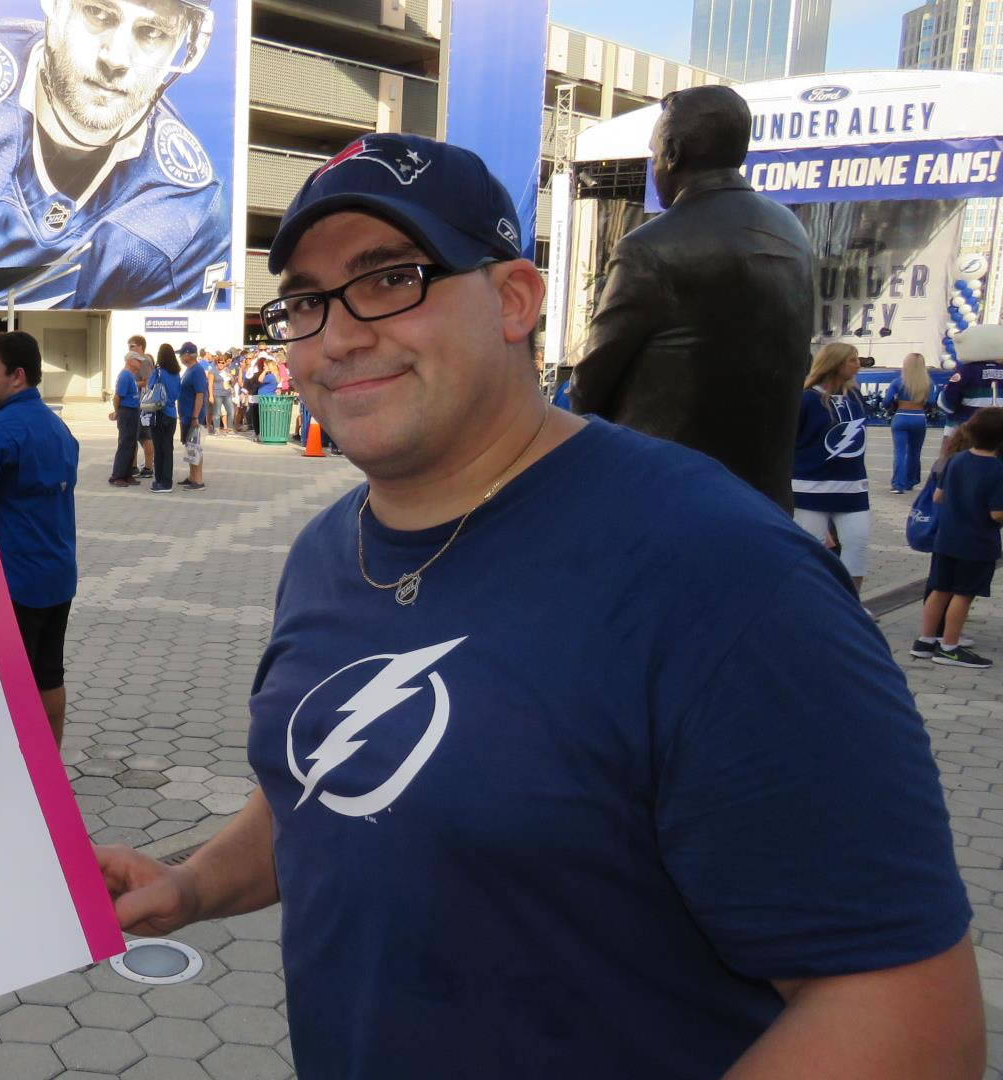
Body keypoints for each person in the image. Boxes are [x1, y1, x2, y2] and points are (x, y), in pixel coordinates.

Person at [99, 131, 982, 1078]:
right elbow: (324, 787)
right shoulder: (326, 550)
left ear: (516, 300)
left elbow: (907, 1017)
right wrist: (193, 885)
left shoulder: (723, 574)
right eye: (308, 301)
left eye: (391, 279)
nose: (339, 336)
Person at [569, 85, 815, 513]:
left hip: (667, 500)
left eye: (653, 153)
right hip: (765, 504)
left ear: (673, 152)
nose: (653, 165)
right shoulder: (792, 231)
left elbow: (589, 386)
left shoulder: (650, 246)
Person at [0, 0, 230, 309]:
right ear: (54, 6)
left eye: (152, 32)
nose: (115, 58)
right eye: (98, 12)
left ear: (185, 45)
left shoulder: (189, 207)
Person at [0, 331, 80, 744]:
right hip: (58, 577)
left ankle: (14, 771)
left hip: (10, 586)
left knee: (4, 688)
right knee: (49, 676)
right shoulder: (60, 429)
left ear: (18, 376)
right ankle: (50, 768)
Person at [911, 408, 1003, 670]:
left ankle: (925, 641)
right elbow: (996, 513)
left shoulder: (956, 459)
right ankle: (949, 647)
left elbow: (938, 496)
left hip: (946, 538)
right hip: (977, 543)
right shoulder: (998, 470)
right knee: (963, 595)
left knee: (940, 589)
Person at [791, 343, 872, 595]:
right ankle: (811, 602)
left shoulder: (855, 397)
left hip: (853, 489)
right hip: (810, 489)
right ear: (834, 364)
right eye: (852, 360)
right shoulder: (806, 399)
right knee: (811, 552)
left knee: (857, 545)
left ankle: (851, 604)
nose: (858, 365)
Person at [890, 351, 933, 494]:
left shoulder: (898, 382)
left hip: (901, 416)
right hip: (919, 417)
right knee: (915, 452)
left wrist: (897, 403)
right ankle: (910, 481)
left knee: (899, 452)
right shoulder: (928, 383)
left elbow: (886, 401)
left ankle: (898, 485)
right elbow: (932, 402)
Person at [145, 343, 181, 492]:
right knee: (168, 448)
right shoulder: (177, 373)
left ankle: (161, 481)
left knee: (159, 449)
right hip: (172, 414)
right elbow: (178, 393)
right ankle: (167, 481)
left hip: (159, 413)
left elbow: (149, 388)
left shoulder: (158, 372)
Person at [109, 348, 143, 487]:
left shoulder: (130, 376)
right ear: (130, 361)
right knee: (125, 444)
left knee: (132, 444)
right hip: (127, 412)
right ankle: (117, 476)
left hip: (133, 411)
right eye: (138, 360)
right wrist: (117, 412)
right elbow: (117, 397)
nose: (140, 363)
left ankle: (127, 474)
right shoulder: (125, 376)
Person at [177, 340, 208, 490]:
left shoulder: (197, 371)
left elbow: (200, 395)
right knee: (189, 447)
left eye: (181, 354)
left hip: (193, 417)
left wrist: (195, 416)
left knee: (195, 447)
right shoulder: (189, 370)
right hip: (186, 416)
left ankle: (199, 480)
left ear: (188, 355)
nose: (180, 357)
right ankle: (191, 476)